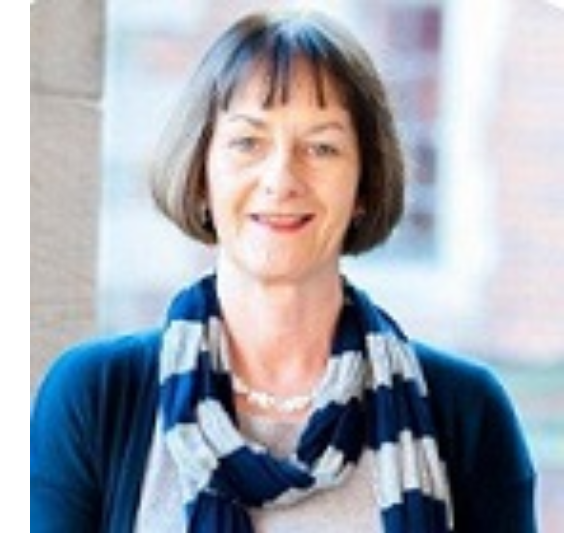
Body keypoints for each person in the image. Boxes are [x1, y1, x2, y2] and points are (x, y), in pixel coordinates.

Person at [30, 8, 537, 533]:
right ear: (201, 173)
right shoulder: (96, 396)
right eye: (247, 142)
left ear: (364, 186)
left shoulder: (467, 411)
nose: (281, 178)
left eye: (321, 148)